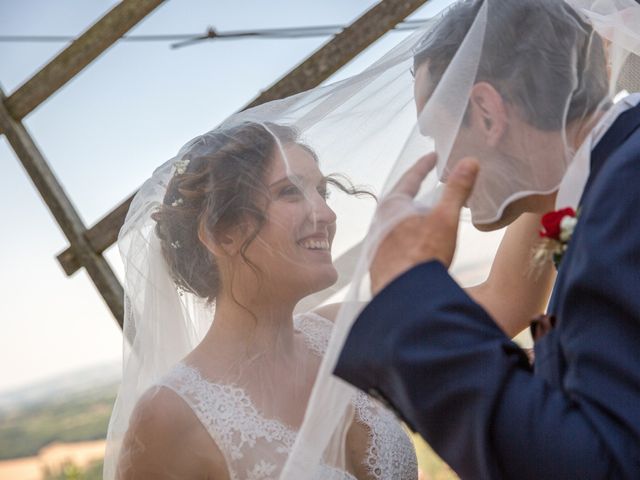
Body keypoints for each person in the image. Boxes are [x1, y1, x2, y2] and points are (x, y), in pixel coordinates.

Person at [104, 116, 553, 479]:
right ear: (221, 234)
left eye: (321, 191)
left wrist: (554, 171)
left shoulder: (344, 331)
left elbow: (506, 299)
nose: (326, 213)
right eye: (289, 192)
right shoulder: (170, 418)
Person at [334, 0, 640, 478]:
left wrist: (409, 296)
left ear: (487, 112)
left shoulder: (626, 195)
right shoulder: (608, 187)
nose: (439, 163)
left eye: (438, 133)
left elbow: (603, 466)